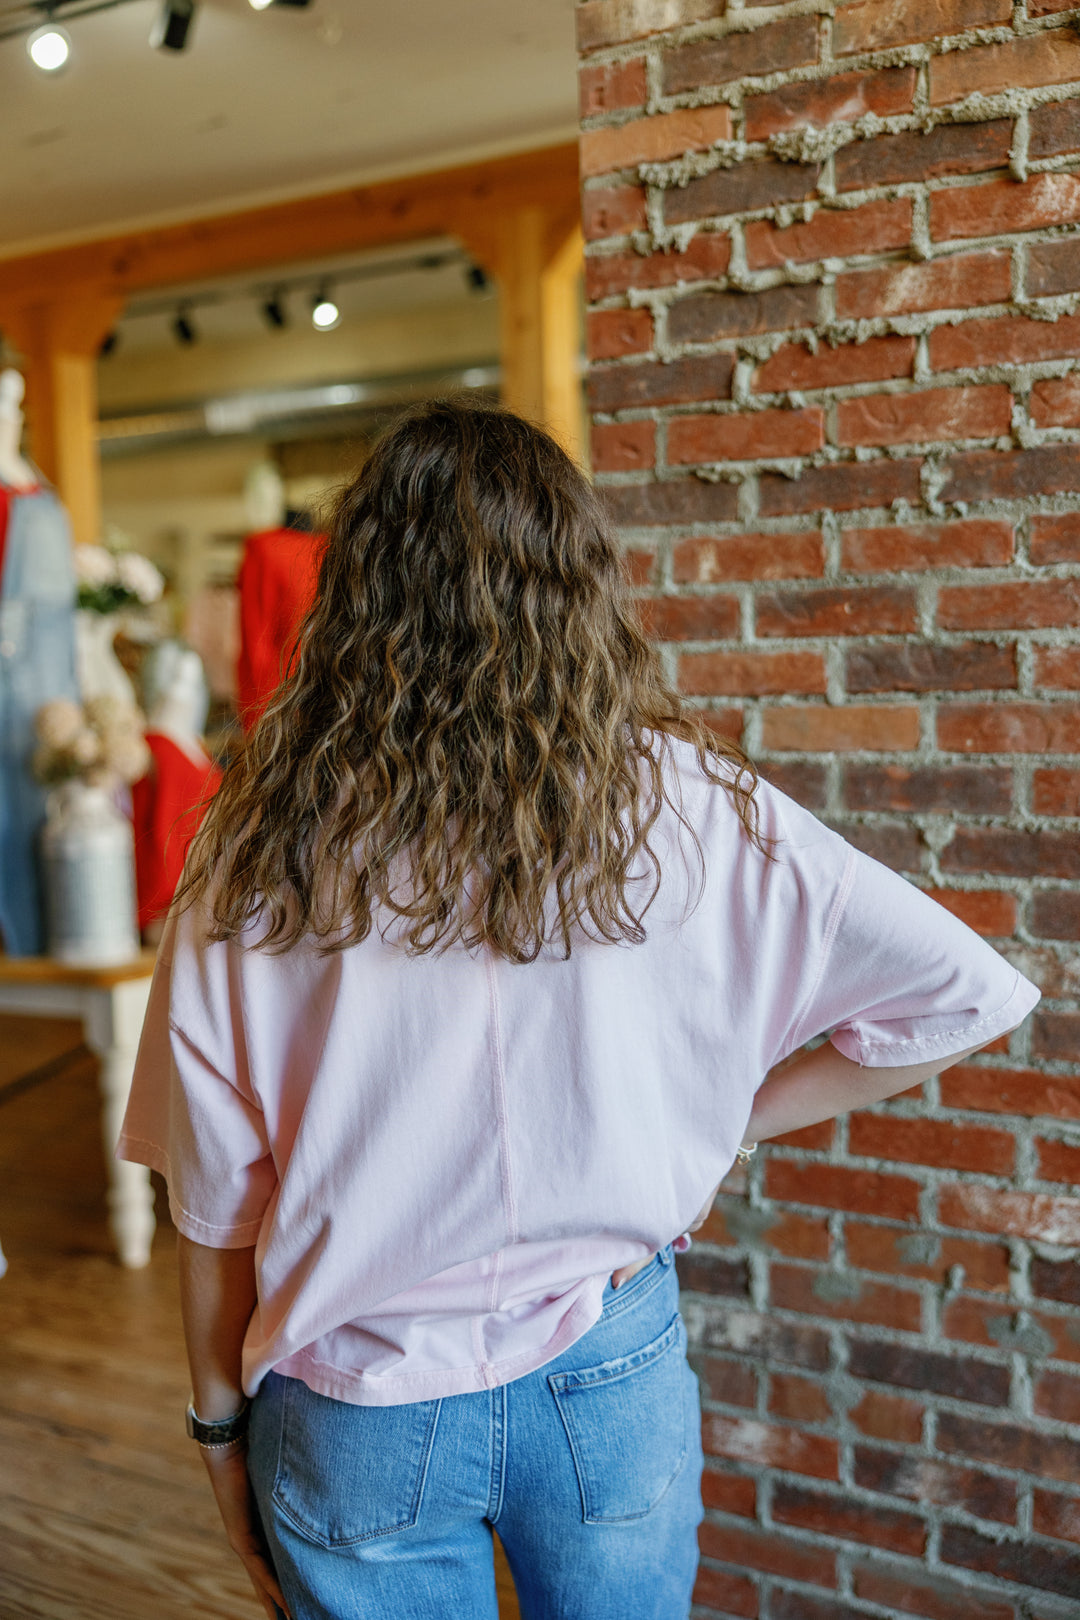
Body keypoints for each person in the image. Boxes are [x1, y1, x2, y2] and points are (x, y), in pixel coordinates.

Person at [118, 400, 1040, 1620]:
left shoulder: (254, 848)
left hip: (357, 1393)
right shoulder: (690, 804)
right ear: (578, 583)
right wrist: (723, 1121)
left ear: (357, 592)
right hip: (608, 1364)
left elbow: (217, 1201)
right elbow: (962, 995)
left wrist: (217, 1431)